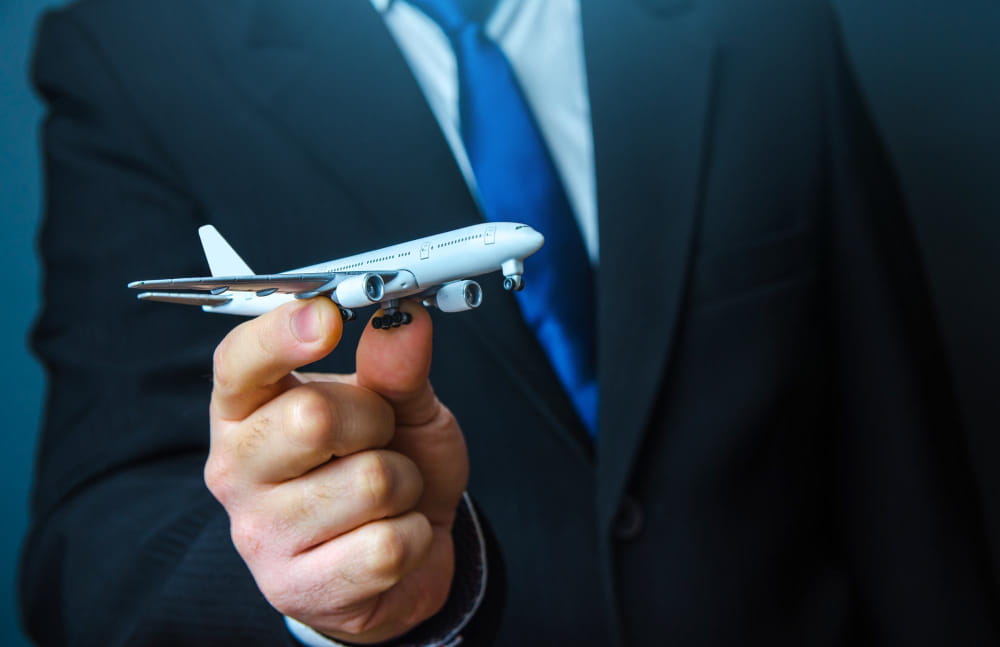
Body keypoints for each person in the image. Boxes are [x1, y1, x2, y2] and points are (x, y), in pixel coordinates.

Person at [22, 0, 999, 645]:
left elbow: (898, 441)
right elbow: (87, 542)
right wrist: (305, 588)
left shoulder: (759, 21)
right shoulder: (135, 51)